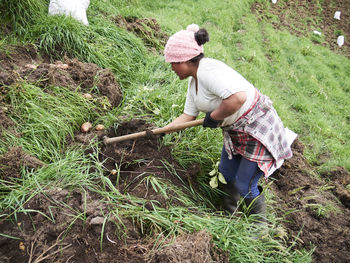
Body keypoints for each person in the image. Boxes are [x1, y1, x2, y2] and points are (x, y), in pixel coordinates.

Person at [163, 24, 295, 223]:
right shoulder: (194, 81)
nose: (171, 67)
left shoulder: (208, 71)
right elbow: (188, 116)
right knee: (226, 172)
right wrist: (162, 131)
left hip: (256, 127)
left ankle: (260, 228)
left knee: (244, 185)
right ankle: (229, 216)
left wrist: (214, 117)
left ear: (184, 59)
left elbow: (238, 98)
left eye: (173, 62)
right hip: (237, 129)